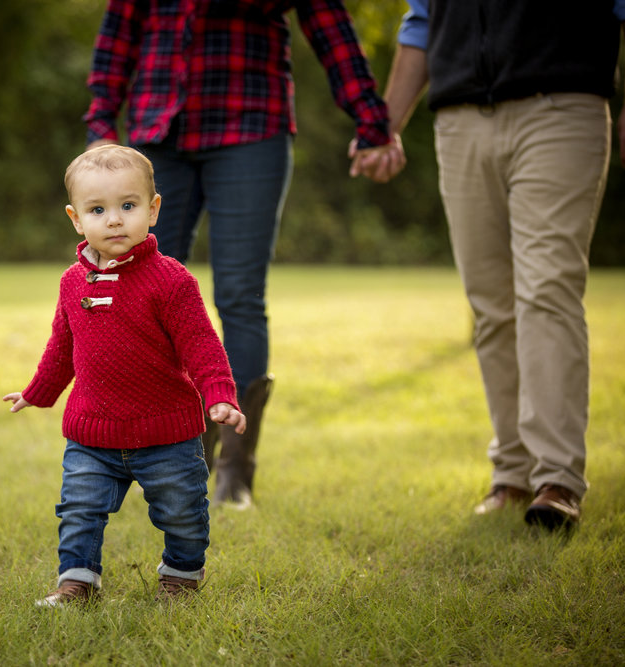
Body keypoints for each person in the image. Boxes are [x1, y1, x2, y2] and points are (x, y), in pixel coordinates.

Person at [81, 0, 403, 508]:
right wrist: (101, 120)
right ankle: (177, 456)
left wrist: (371, 119)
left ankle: (234, 470)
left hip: (250, 124)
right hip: (158, 129)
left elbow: (328, 23)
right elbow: (120, 29)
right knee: (145, 292)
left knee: (241, 296)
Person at [351, 1, 625, 530]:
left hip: (561, 104)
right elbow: (421, 20)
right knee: (490, 304)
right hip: (460, 118)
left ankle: (557, 478)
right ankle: (511, 473)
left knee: (547, 290)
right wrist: (383, 128)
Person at [3, 145, 247, 607]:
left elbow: (202, 344)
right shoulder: (72, 283)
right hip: (92, 435)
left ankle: (180, 578)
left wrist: (219, 395)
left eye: (128, 206)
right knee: (79, 510)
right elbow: (63, 346)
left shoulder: (171, 281)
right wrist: (38, 392)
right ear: (77, 219)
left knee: (183, 513)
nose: (114, 220)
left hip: (167, 434)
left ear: (153, 210)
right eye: (98, 210)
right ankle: (77, 583)